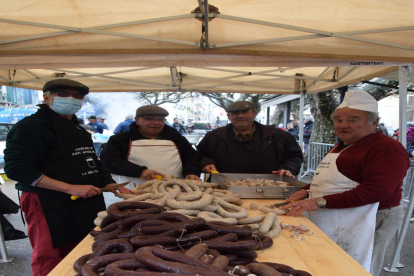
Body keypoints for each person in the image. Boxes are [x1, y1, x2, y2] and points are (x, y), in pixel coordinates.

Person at [3, 79, 131, 276]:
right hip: (48, 202)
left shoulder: (78, 128)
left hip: (86, 201)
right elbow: (16, 168)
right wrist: (70, 188)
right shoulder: (30, 126)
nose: (71, 99)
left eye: (77, 96)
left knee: (85, 246)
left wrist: (109, 181)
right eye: (62, 94)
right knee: (50, 254)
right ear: (46, 98)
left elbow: (92, 161)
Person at [280, 90, 409, 275]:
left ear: (374, 122)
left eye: (353, 120)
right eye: (338, 120)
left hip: (373, 215)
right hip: (339, 214)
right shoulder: (343, 144)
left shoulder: (386, 149)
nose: (343, 125)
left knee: (359, 265)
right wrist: (307, 190)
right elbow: (333, 177)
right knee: (332, 263)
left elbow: (377, 191)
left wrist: (318, 202)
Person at [100, 105, 201, 190]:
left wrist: (191, 172)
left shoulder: (177, 138)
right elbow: (109, 161)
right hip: (135, 189)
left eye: (160, 120)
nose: (156, 123)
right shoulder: (121, 139)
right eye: (149, 119)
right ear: (137, 120)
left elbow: (191, 157)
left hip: (175, 188)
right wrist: (140, 171)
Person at [197, 101, 303, 177]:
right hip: (223, 187)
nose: (240, 116)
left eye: (245, 112)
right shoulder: (214, 136)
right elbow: (199, 155)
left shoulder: (277, 135)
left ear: (254, 113)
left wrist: (288, 168)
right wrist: (206, 163)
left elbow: (294, 156)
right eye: (235, 113)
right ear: (228, 116)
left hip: (269, 187)